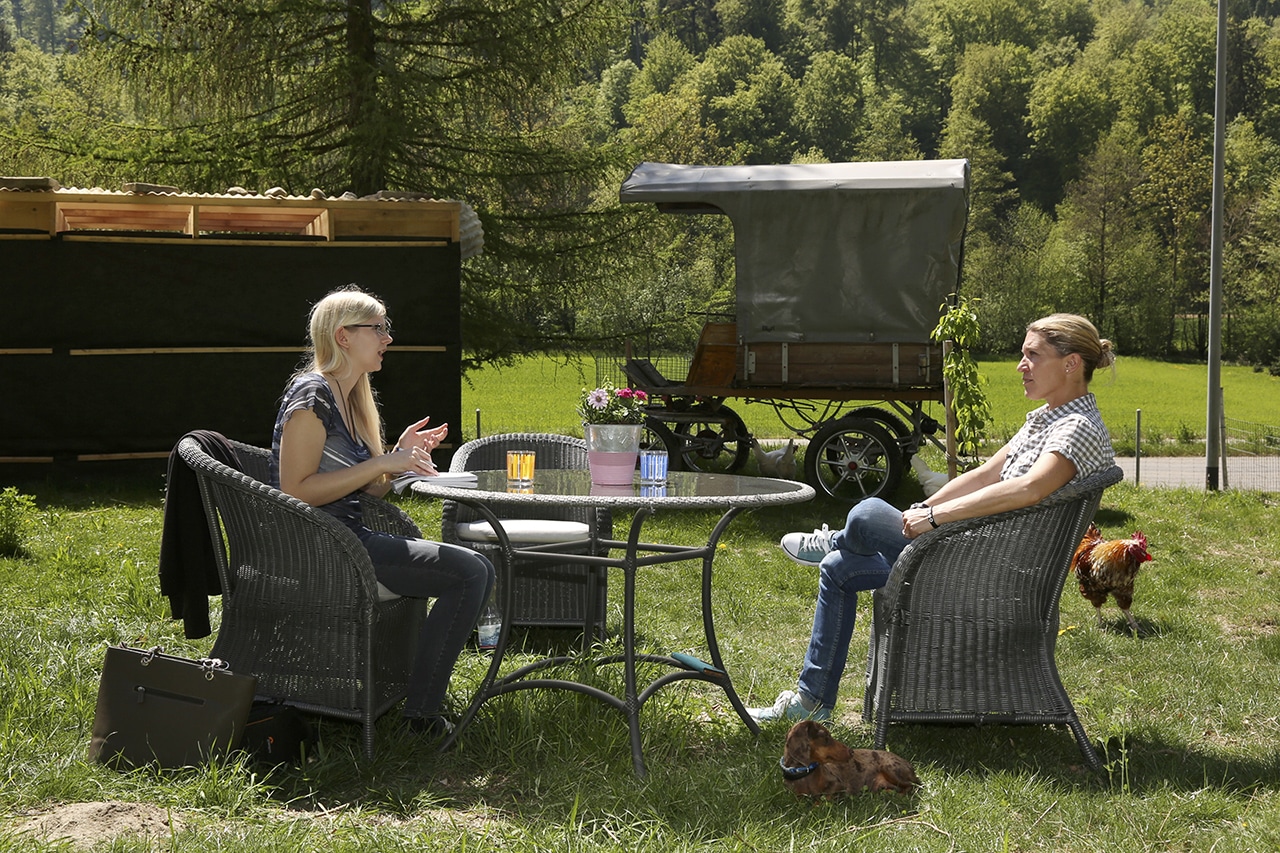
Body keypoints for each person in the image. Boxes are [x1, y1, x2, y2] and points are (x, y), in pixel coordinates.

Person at [750, 313, 1116, 723]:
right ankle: (811, 704)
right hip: (977, 550)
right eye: (1022, 355)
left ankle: (836, 539)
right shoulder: (1046, 419)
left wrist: (938, 517)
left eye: (1032, 355)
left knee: (868, 512)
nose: (1021, 365)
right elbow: (984, 475)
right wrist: (923, 510)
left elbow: (1027, 489)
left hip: (991, 572)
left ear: (1071, 364)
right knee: (839, 569)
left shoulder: (1076, 427)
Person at [271, 284, 495, 737]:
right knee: (471, 572)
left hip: (349, 536)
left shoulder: (349, 399)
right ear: (344, 336)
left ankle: (420, 702)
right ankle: (421, 714)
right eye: (378, 328)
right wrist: (383, 463)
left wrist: (399, 454)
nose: (387, 339)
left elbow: (371, 491)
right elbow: (295, 490)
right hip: (326, 546)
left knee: (477, 569)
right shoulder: (311, 395)